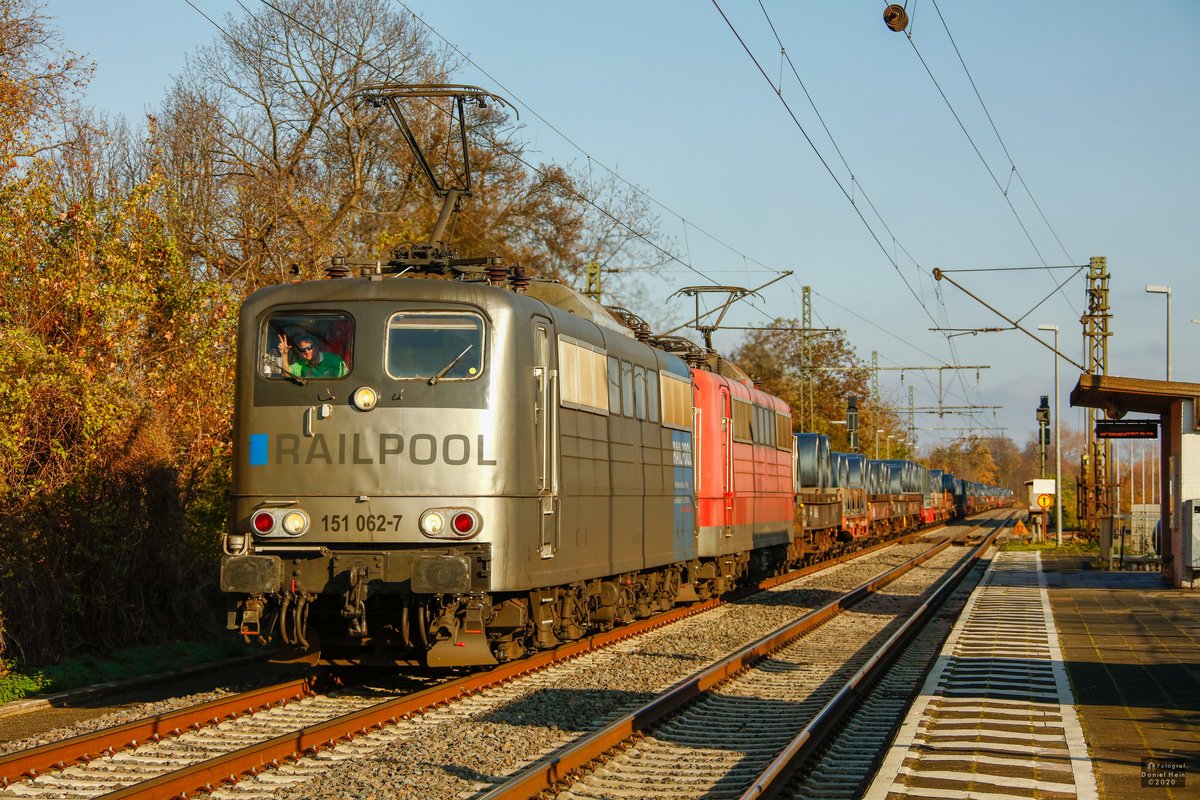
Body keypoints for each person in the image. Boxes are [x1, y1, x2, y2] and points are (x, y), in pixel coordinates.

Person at [278, 333, 347, 378]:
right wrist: (284, 354)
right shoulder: (300, 364)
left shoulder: (334, 359)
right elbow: (286, 374)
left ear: (316, 347)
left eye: (309, 347)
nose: (306, 351)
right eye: (303, 350)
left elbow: (344, 380)